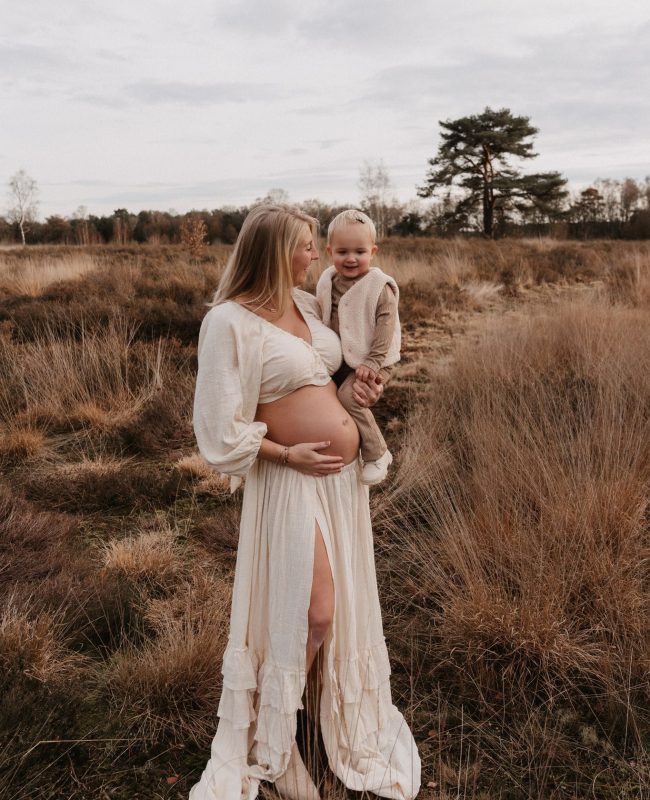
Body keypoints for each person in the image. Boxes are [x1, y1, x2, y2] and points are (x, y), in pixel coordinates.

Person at [190, 205, 420, 800]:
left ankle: (313, 714)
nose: (315, 254)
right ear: (272, 250)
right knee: (309, 613)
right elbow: (218, 427)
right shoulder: (229, 322)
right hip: (290, 482)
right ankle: (276, 743)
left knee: (333, 612)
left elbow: (336, 371)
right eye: (305, 245)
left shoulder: (310, 304)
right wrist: (284, 455)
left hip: (338, 486)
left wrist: (364, 384)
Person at [316, 209, 400, 486]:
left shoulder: (379, 286)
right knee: (327, 394)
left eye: (359, 251)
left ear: (373, 251)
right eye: (342, 252)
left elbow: (385, 328)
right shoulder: (328, 282)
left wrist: (373, 362)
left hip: (376, 359)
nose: (351, 258)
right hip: (344, 359)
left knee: (351, 396)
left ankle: (378, 453)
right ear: (329, 251)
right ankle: (345, 449)